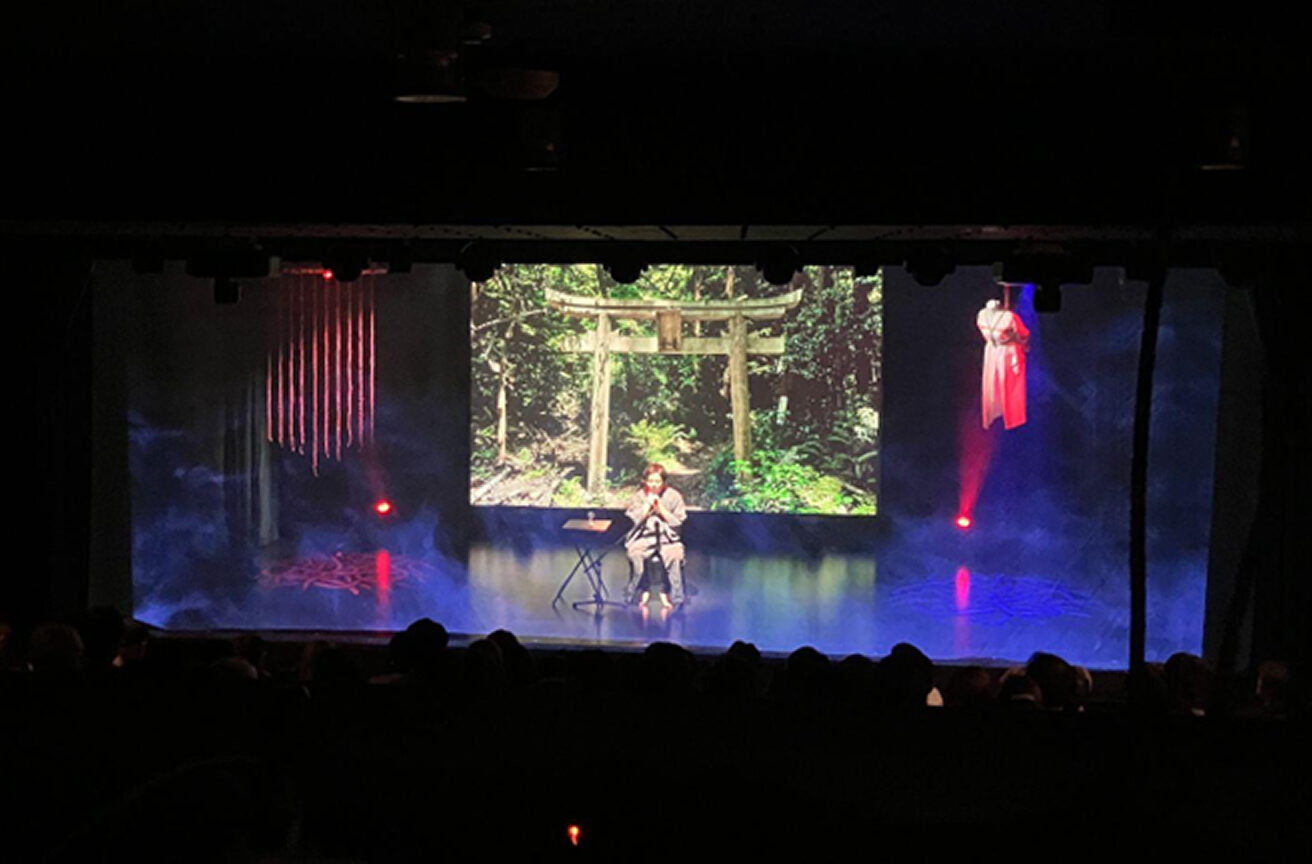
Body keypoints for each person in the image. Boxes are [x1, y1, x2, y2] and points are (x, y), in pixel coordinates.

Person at [623, 463, 687, 608]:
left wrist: (661, 509)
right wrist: (646, 507)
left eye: (657, 481)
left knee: (675, 556)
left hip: (668, 538)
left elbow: (678, 521)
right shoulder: (639, 496)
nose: (653, 485)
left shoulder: (674, 496)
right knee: (635, 554)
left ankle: (674, 596)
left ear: (663, 482)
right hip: (643, 537)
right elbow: (633, 519)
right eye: (650, 481)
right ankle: (639, 591)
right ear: (645, 481)